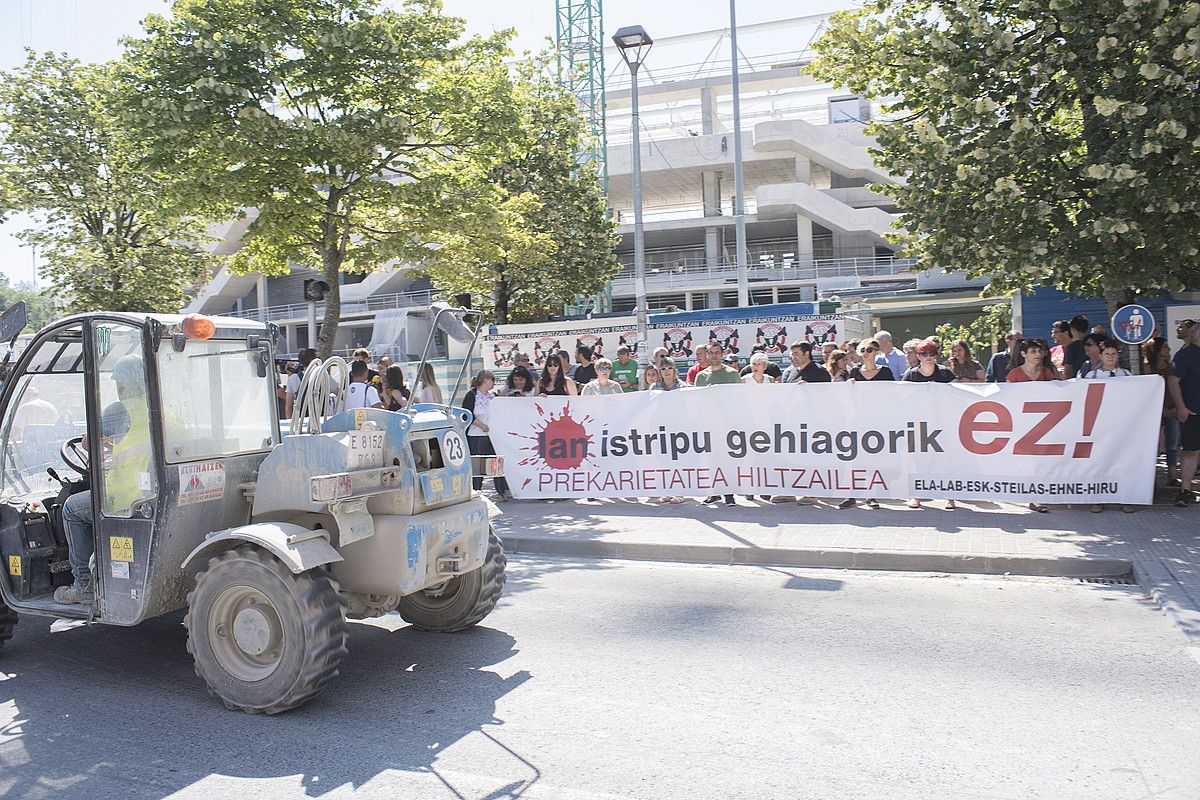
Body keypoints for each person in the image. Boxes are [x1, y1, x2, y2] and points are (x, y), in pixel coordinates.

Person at [57, 356, 152, 604]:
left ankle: (82, 586)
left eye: (120, 385)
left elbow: (88, 443)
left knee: (70, 509)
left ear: (125, 385)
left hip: (123, 498)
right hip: (152, 493)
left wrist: (101, 440)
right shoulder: (161, 406)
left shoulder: (119, 410)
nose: (119, 391)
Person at [900, 340, 957, 510]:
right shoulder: (911, 375)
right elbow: (900, 395)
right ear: (918, 356)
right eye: (925, 354)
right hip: (919, 424)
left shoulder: (945, 373)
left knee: (945, 459)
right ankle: (917, 495)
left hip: (942, 422)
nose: (929, 357)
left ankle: (950, 496)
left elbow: (957, 395)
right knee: (919, 460)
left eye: (932, 353)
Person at [462, 371, 510, 501]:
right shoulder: (472, 395)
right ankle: (476, 490)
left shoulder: (492, 396)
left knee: (496, 462)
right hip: (476, 434)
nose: (493, 383)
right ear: (486, 380)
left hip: (492, 434)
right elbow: (467, 414)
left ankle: (501, 491)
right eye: (492, 380)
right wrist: (481, 425)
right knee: (479, 464)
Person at [1167, 321, 1200, 507]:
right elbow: (1173, 380)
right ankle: (1185, 491)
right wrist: (1181, 406)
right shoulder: (1185, 354)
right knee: (1190, 451)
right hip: (1193, 412)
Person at [1144, 336, 1181, 487]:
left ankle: (1172, 476)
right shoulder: (1148, 368)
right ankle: (1149, 476)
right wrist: (1162, 409)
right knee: (1151, 444)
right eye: (1165, 346)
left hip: (1172, 409)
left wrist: (1175, 407)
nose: (1168, 349)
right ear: (1157, 350)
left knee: (1173, 444)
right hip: (1155, 411)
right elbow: (1148, 391)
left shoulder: (1172, 366)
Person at [285, 348, 318, 418]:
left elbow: (288, 406)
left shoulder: (292, 378)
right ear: (313, 361)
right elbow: (340, 394)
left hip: (301, 419)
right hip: (321, 418)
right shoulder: (323, 377)